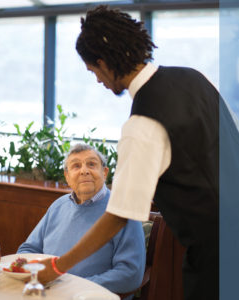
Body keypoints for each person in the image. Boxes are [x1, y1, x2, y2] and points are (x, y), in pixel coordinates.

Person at [37, 5, 239, 300]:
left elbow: (119, 215)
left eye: (93, 70)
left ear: (104, 62)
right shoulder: (197, 78)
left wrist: (57, 266)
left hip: (217, 260)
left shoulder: (143, 122)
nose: (97, 80)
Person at [17, 143, 146, 298]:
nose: (84, 171)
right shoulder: (58, 205)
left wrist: (75, 288)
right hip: (48, 293)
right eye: (76, 166)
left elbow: (130, 275)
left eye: (91, 164)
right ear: (67, 176)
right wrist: (33, 275)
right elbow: (28, 250)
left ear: (105, 172)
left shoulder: (122, 211)